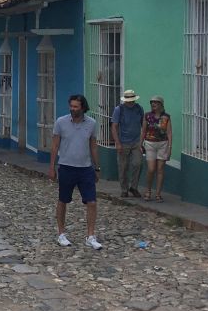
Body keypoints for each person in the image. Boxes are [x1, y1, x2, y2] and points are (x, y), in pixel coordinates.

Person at [48, 94, 103, 250]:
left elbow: (93, 146)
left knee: (92, 202)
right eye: (71, 106)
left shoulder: (91, 124)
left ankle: (90, 235)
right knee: (63, 200)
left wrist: (97, 167)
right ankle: (61, 233)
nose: (72, 109)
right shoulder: (61, 122)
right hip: (66, 166)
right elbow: (54, 146)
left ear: (83, 107)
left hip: (85, 168)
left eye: (76, 107)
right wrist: (52, 167)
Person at [111, 89, 145, 197]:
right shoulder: (119, 109)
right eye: (129, 100)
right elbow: (114, 126)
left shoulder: (139, 109)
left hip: (136, 142)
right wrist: (117, 143)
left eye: (132, 100)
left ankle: (133, 187)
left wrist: (142, 141)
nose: (131, 102)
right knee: (123, 166)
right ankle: (124, 189)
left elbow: (143, 124)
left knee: (138, 163)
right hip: (123, 142)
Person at [140, 96, 172, 202]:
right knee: (151, 169)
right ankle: (148, 190)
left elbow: (169, 133)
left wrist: (170, 148)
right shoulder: (147, 116)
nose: (153, 104)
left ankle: (158, 193)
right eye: (152, 103)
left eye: (156, 103)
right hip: (150, 143)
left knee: (160, 170)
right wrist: (140, 144)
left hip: (163, 144)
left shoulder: (166, 117)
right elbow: (143, 131)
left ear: (161, 105)